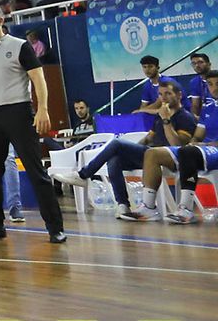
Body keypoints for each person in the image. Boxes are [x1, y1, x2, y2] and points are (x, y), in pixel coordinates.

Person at [0, 4, 66, 243]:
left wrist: (42, 109)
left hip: (18, 112)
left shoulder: (20, 46)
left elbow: (38, 78)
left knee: (36, 171)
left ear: (0, 20)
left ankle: (55, 227)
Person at [53, 81, 195, 220]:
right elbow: (148, 139)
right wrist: (131, 151)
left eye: (168, 93)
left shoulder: (185, 117)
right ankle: (123, 205)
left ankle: (84, 174)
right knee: (115, 158)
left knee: (116, 143)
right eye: (160, 94)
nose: (163, 98)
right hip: (151, 157)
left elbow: (176, 144)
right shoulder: (159, 116)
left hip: (170, 158)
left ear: (179, 95)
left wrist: (166, 120)